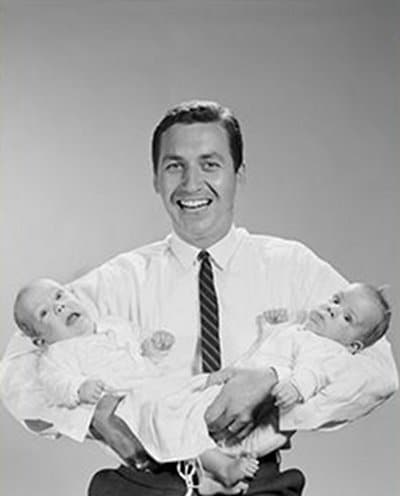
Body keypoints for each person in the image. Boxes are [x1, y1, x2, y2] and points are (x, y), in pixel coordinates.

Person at [1, 101, 398, 496]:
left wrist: (273, 395)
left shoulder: (292, 267)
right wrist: (95, 416)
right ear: (156, 178)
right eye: (175, 166)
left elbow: (379, 369)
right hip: (145, 481)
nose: (191, 184)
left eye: (210, 164)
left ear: (238, 174)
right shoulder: (119, 280)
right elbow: (16, 373)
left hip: (256, 479)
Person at [107, 282, 391, 494]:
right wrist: (269, 329)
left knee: (174, 418)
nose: (333, 308)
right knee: (164, 410)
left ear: (353, 345)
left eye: (346, 317)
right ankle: (209, 474)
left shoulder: (328, 350)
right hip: (217, 397)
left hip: (257, 424)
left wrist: (290, 385)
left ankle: (220, 468)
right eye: (335, 299)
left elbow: (316, 372)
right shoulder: (299, 332)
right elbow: (262, 353)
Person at [13, 277, 176, 466]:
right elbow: (55, 384)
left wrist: (154, 347)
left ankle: (212, 458)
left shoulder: (114, 325)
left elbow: (141, 353)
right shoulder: (57, 356)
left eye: (59, 296)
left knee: (186, 415)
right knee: (115, 420)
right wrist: (78, 389)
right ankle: (145, 463)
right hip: (123, 405)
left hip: (154, 391)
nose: (58, 307)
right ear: (40, 341)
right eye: (44, 313)